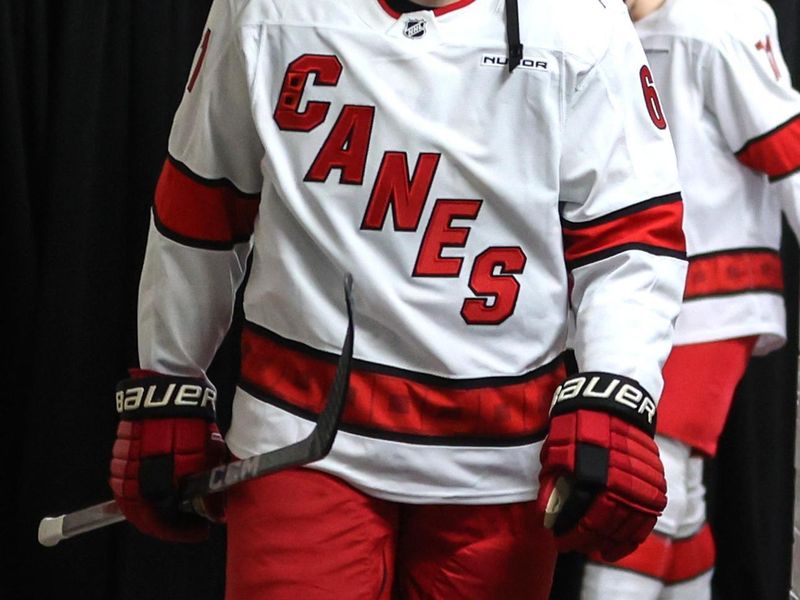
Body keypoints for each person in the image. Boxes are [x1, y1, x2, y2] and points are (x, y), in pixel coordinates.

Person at [107, 0, 689, 598]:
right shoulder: (266, 9)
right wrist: (169, 378)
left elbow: (632, 236)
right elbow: (203, 197)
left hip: (499, 462)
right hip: (298, 443)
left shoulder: (578, 23)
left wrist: (618, 392)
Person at [580, 0, 800, 598]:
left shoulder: (715, 23)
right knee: (676, 494)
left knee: (639, 473)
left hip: (711, 299)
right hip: (640, 293)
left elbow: (787, 151)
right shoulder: (598, 28)